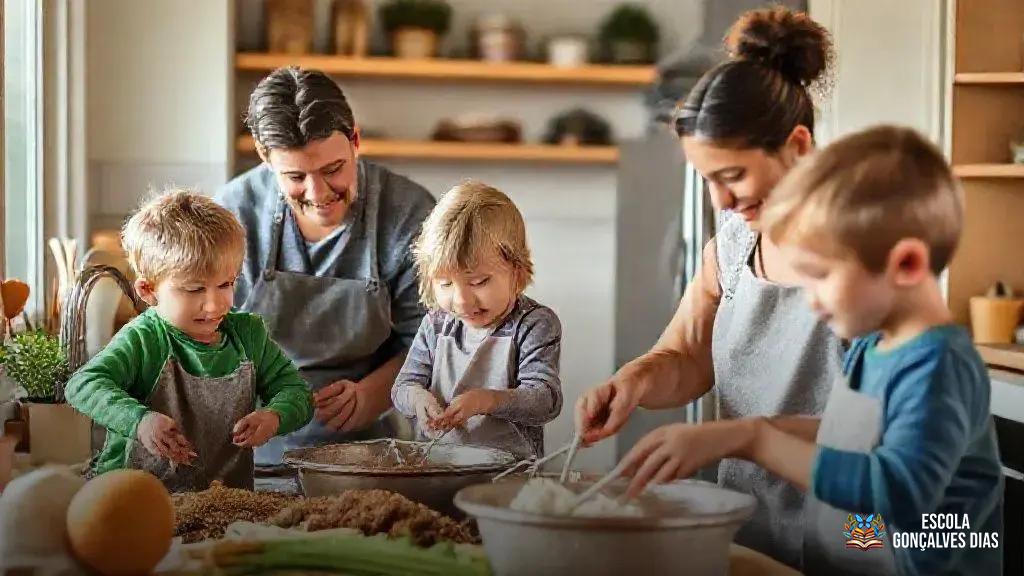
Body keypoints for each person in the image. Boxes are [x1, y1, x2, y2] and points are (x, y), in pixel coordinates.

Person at [620, 125, 1004, 576]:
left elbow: (895, 490)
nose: (810, 297)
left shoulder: (939, 365)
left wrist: (755, 440)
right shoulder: (878, 347)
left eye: (820, 276)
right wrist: (735, 432)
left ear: (906, 264)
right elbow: (848, 432)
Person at [575, 6, 839, 570]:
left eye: (733, 176)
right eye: (708, 180)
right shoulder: (736, 244)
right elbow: (686, 356)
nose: (721, 202)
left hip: (857, 529)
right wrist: (636, 380)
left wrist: (739, 436)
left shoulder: (862, 258)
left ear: (798, 146)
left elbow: (884, 435)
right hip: (752, 527)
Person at [216, 67, 436, 466]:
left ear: (355, 140)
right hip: (249, 449)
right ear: (265, 157)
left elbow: (428, 342)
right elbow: (206, 337)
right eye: (296, 176)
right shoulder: (233, 214)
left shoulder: (409, 214)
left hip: (368, 451)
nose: (318, 194)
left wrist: (373, 395)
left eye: (333, 170)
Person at [65, 190, 313, 491]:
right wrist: (140, 421)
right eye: (194, 289)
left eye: (226, 284)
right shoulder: (143, 339)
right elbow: (82, 384)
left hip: (222, 501)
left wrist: (274, 416)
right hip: (132, 498)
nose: (214, 304)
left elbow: (297, 392)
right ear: (148, 290)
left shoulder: (248, 336)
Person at [391, 181, 562, 459]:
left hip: (507, 477)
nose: (461, 301)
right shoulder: (435, 325)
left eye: (479, 282)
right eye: (445, 284)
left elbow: (546, 400)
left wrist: (489, 400)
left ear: (517, 273)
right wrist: (417, 399)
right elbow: (402, 387)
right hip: (435, 468)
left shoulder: (534, 325)